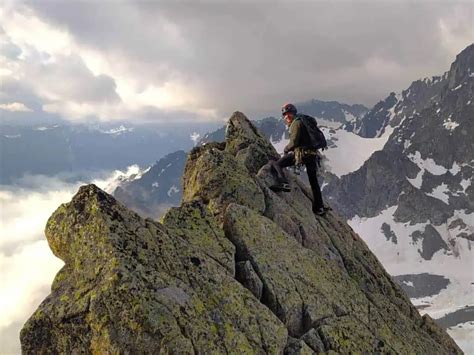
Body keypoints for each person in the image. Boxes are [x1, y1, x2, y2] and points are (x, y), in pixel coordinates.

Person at [271, 103, 328, 216]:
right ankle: (319, 207)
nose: (287, 117)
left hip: (302, 154)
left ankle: (283, 183)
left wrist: (286, 149)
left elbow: (294, 142)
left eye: (288, 114)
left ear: (293, 113)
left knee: (276, 164)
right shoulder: (303, 121)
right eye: (285, 115)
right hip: (312, 155)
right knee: (314, 182)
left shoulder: (296, 123)